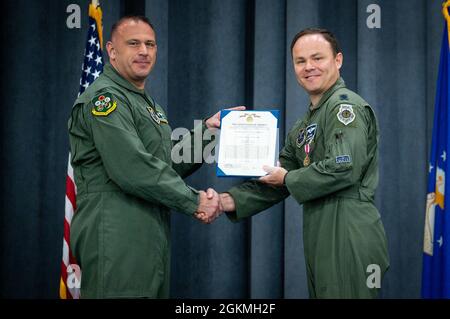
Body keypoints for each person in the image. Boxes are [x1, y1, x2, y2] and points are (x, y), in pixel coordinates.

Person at [68, 15, 239, 298]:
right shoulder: (104, 100)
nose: (144, 51)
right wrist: (194, 200)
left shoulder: (146, 103)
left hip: (148, 232)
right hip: (115, 231)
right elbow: (132, 168)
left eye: (150, 44)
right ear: (111, 51)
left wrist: (209, 130)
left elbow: (163, 164)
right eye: (133, 43)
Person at [215, 28, 390, 298]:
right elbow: (278, 179)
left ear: (338, 60)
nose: (309, 67)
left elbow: (343, 168)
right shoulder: (305, 124)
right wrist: (228, 201)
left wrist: (286, 178)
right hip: (320, 229)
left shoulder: (345, 108)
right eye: (300, 61)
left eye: (317, 58)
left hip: (347, 229)